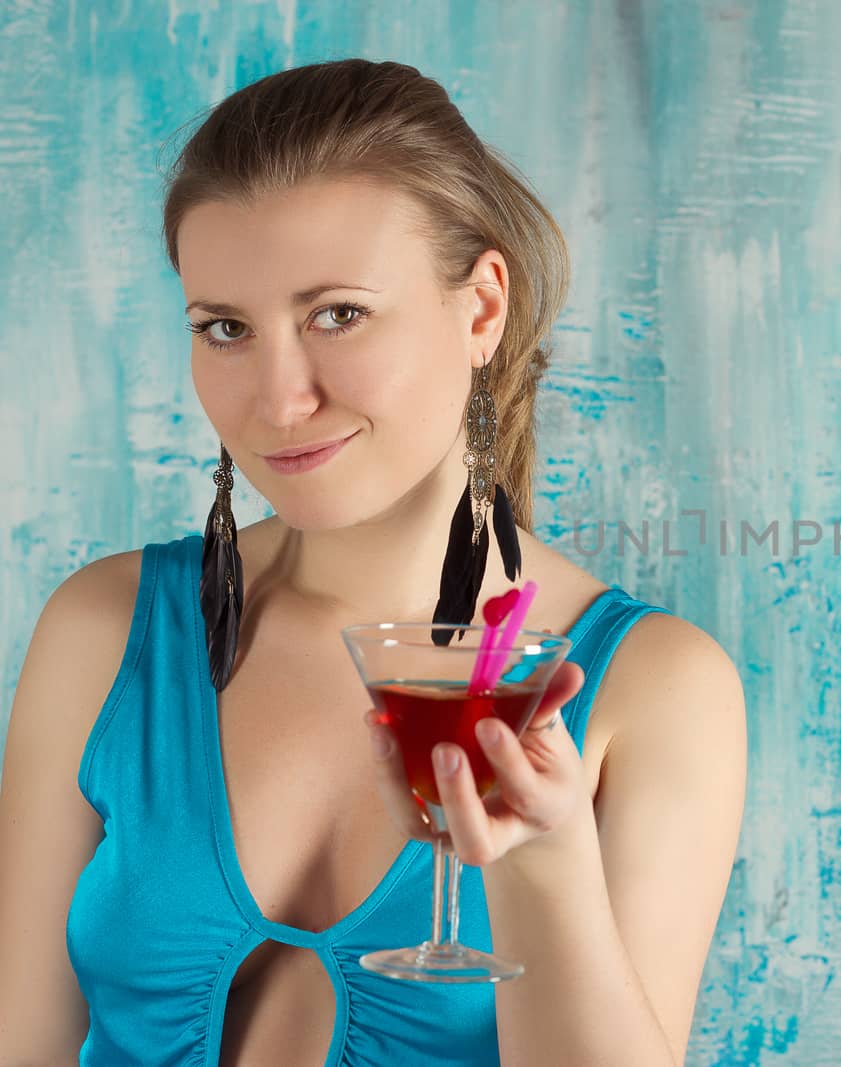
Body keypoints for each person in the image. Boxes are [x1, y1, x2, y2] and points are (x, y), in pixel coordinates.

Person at [0, 59, 747, 1066]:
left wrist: (541, 859)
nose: (277, 397)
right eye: (225, 327)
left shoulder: (654, 688)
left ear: (482, 308)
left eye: (337, 314)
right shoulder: (103, 631)